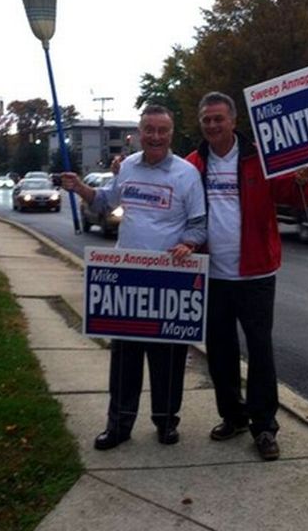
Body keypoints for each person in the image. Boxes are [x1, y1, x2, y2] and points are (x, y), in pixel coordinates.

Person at [61, 104, 206, 451]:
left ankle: (166, 422)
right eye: (149, 130)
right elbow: (105, 204)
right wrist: (81, 188)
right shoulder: (126, 167)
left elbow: (199, 224)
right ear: (140, 133)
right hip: (128, 277)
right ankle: (119, 425)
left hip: (169, 278)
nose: (156, 136)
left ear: (171, 134)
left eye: (163, 131)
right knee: (125, 358)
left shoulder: (187, 175)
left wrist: (189, 243)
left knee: (168, 360)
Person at [186, 92, 308, 461]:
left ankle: (264, 427)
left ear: (233, 121)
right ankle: (233, 416)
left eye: (218, 119)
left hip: (256, 273)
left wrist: (303, 180)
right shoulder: (193, 164)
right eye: (206, 120)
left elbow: (292, 194)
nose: (212, 125)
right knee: (220, 352)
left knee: (260, 350)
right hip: (211, 274)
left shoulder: (262, 158)